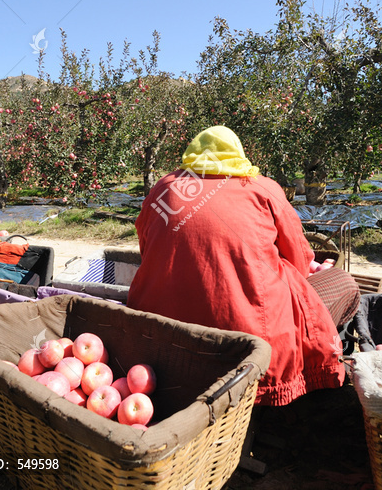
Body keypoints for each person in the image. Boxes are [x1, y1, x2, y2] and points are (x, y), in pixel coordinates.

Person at [127, 126, 361, 407]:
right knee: (344, 283)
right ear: (237, 154)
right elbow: (300, 261)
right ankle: (324, 381)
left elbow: (147, 249)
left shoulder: (163, 189)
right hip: (250, 350)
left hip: (162, 345)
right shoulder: (262, 188)